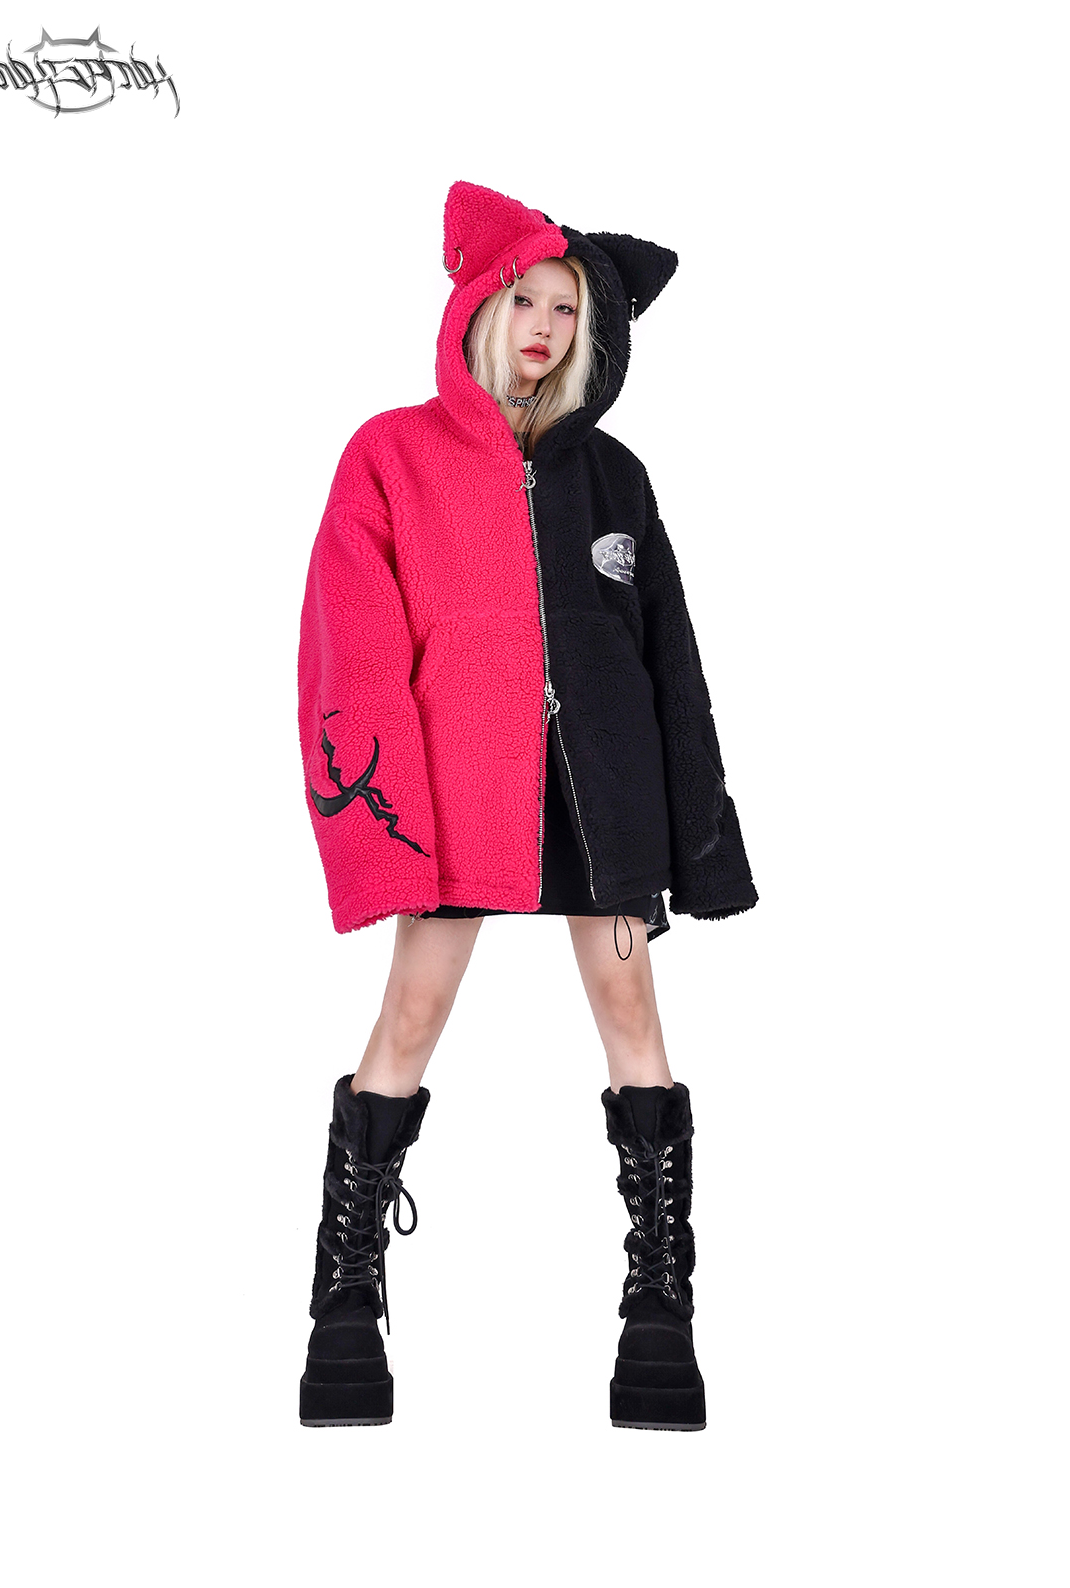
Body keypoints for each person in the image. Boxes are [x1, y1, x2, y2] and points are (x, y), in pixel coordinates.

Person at [296, 179, 759, 1430]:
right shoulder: (391, 454)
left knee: (630, 1010)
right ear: (481, 307)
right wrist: (385, 822)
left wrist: (696, 835)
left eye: (567, 309)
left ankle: (659, 1300)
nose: (546, 326)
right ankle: (346, 1293)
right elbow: (354, 644)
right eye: (526, 301)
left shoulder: (613, 475)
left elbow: (669, 660)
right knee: (412, 1012)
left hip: (601, 800)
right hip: (458, 794)